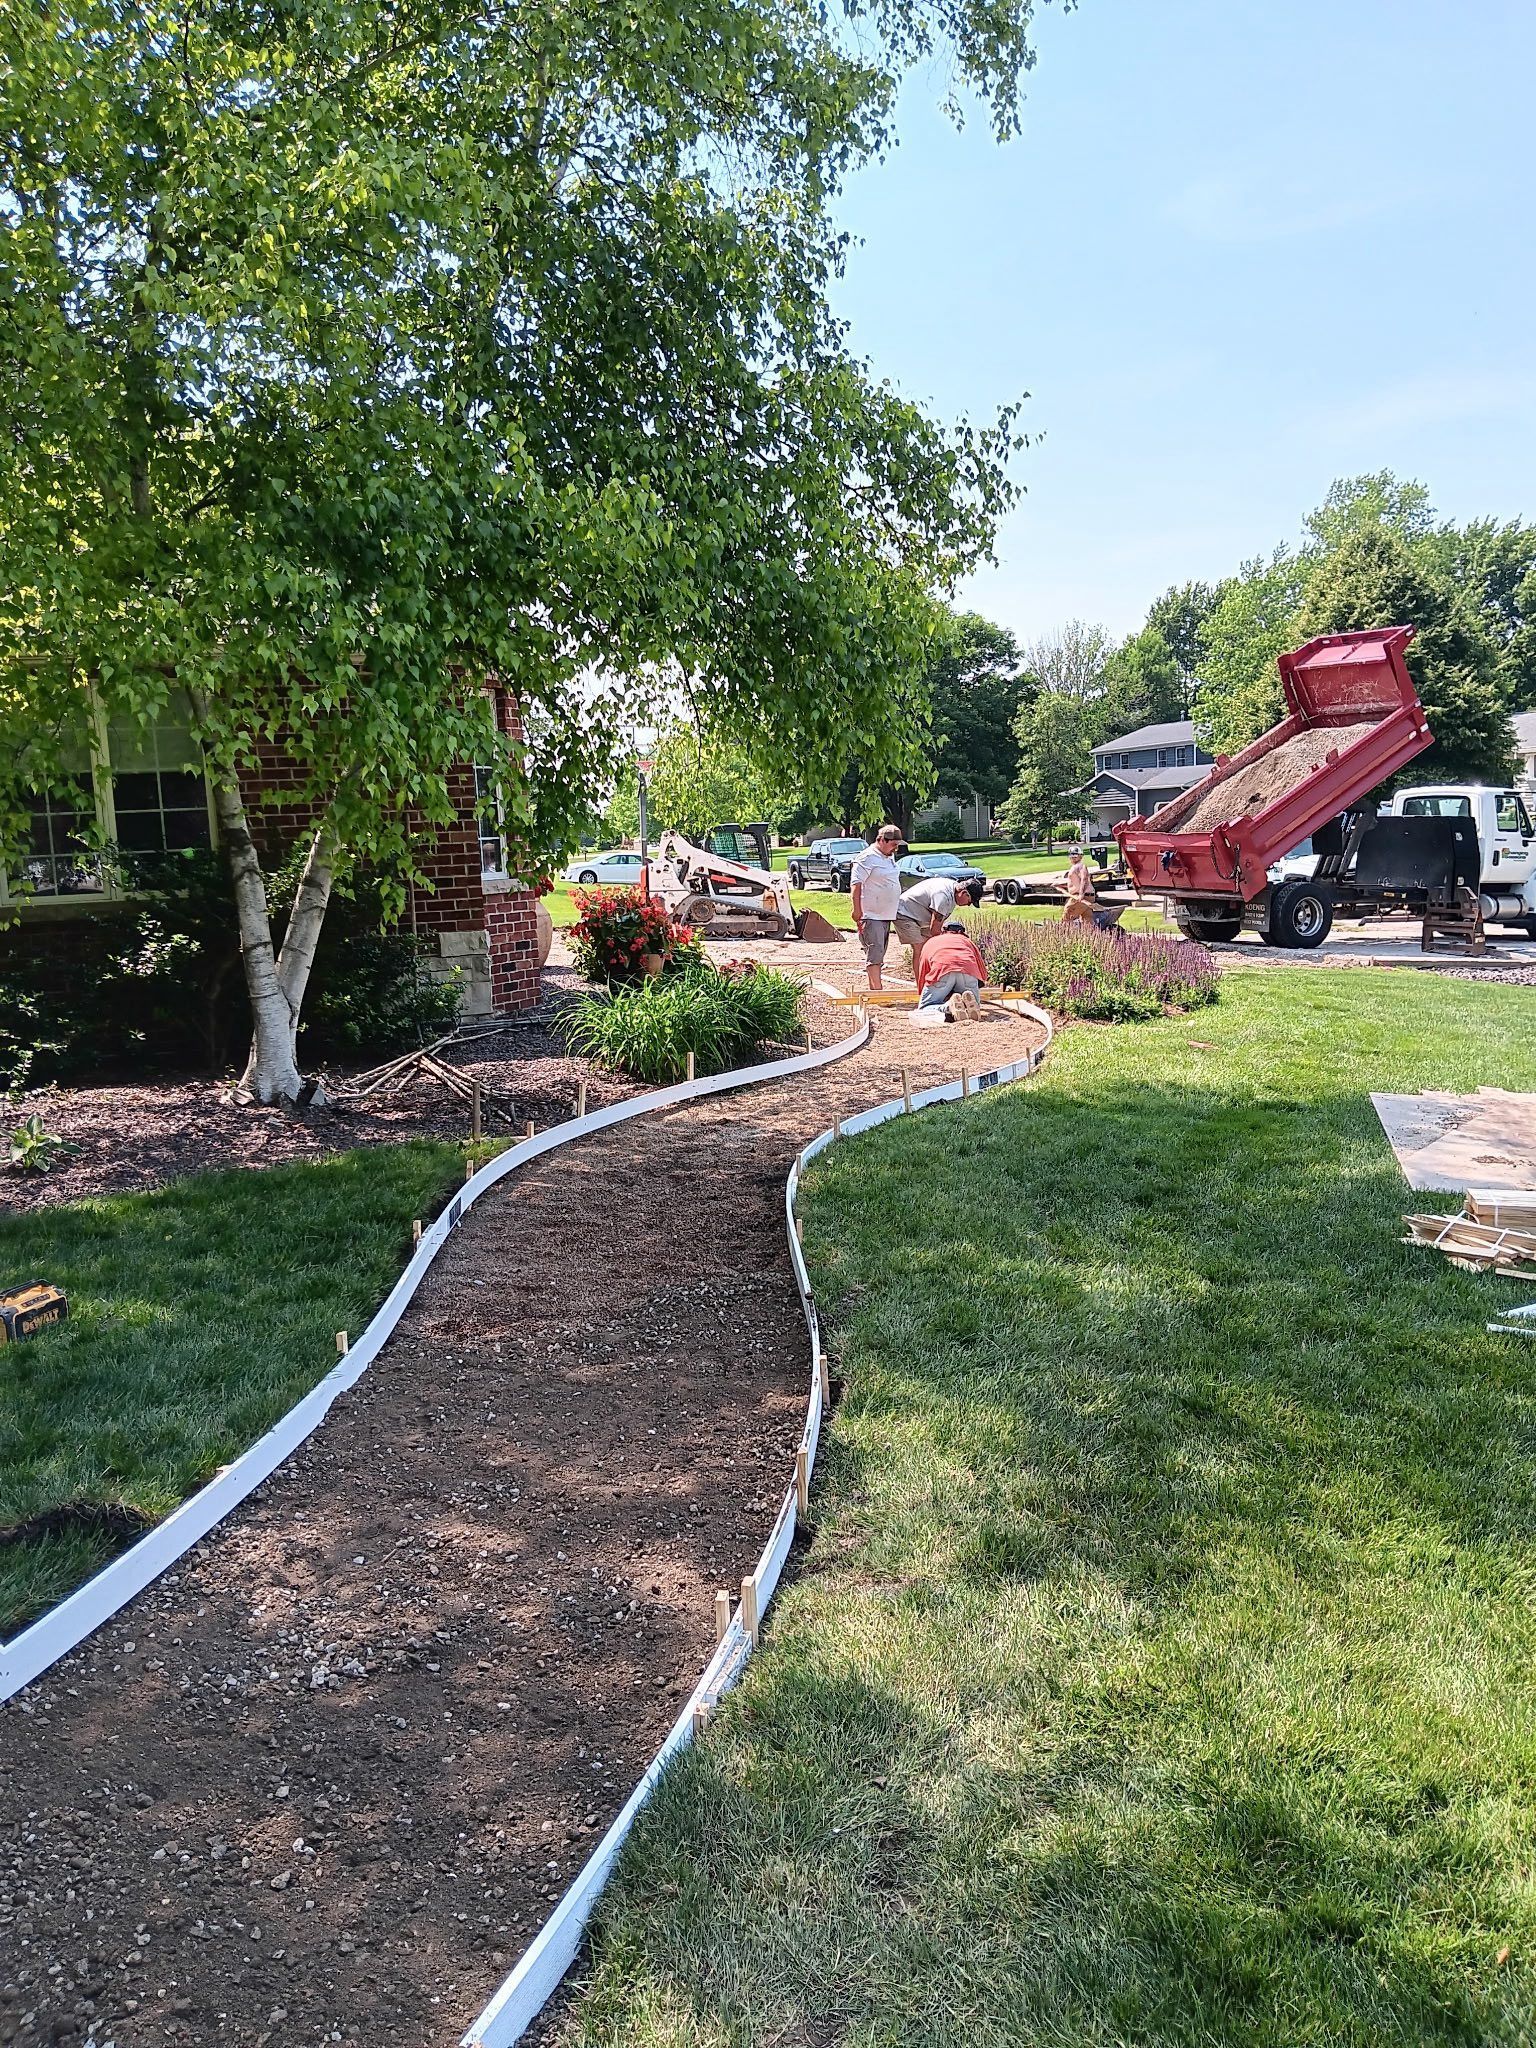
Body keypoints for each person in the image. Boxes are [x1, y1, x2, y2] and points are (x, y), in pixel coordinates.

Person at [894, 873, 975, 986]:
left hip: (921, 914)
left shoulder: (952, 891)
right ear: (964, 893)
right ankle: (922, 987)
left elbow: (937, 926)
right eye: (970, 901)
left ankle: (933, 982)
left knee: (930, 949)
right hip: (904, 912)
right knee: (921, 949)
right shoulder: (943, 896)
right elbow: (935, 931)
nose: (968, 905)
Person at [849, 824, 904, 991]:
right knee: (875, 951)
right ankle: (877, 990)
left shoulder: (888, 857)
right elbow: (856, 885)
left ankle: (875, 988)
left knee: (880, 952)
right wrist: (857, 910)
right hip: (871, 914)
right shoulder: (867, 857)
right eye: (893, 844)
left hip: (885, 914)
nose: (895, 848)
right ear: (881, 840)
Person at [916, 920, 986, 1019]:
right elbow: (981, 969)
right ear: (962, 932)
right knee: (974, 1006)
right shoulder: (967, 942)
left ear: (943, 931)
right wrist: (976, 986)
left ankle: (948, 1007)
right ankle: (965, 1006)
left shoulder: (932, 941)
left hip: (942, 970)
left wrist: (923, 990)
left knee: (925, 1008)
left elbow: (923, 968)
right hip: (968, 970)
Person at [1062, 846, 1096, 927]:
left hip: (1081, 897)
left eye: (1075, 855)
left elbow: (1084, 879)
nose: (1073, 857)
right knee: (1087, 921)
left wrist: (1081, 894)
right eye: (1071, 855)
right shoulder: (1076, 866)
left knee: (1067, 917)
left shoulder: (1080, 866)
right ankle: (1090, 936)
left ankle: (1065, 936)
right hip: (1085, 896)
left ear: (1081, 856)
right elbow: (1075, 881)